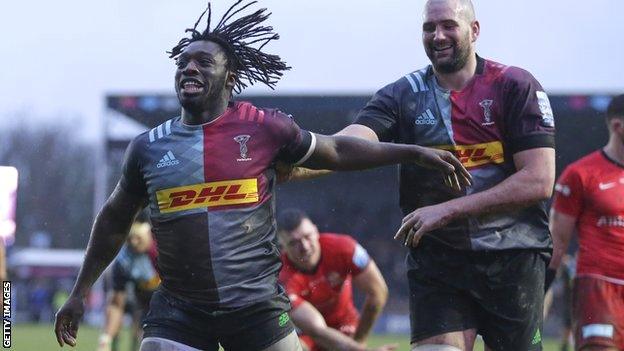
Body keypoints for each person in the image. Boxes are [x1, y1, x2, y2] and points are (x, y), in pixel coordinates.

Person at [54, 2, 470, 350]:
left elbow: (338, 149)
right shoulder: (147, 147)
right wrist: (79, 292)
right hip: (179, 310)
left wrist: (413, 152)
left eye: (203, 62)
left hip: (256, 308)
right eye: (183, 63)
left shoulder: (264, 128)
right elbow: (112, 220)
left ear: (230, 78)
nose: (189, 69)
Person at [288, 0, 556, 349]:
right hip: (439, 261)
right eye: (429, 28)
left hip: (513, 257)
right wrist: (296, 166)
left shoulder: (514, 85)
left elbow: (538, 179)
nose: (438, 35)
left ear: (474, 31)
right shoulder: (404, 94)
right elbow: (348, 145)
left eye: (448, 25)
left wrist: (446, 210)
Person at [550, 94, 624, 351]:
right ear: (617, 126)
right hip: (598, 286)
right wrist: (540, 291)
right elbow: (557, 240)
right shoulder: (580, 174)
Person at [277, 209, 396, 351]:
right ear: (282, 246)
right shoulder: (280, 277)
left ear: (316, 230)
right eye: (293, 243)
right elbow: (316, 330)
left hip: (345, 325)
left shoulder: (345, 248)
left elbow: (378, 292)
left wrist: (359, 341)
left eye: (307, 236)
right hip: (306, 333)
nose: (304, 247)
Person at [97, 221, 159, 351]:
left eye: (138, 238)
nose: (134, 242)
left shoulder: (164, 250)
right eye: (130, 239)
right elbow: (116, 304)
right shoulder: (123, 262)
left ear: (148, 234)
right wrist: (105, 339)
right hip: (141, 295)